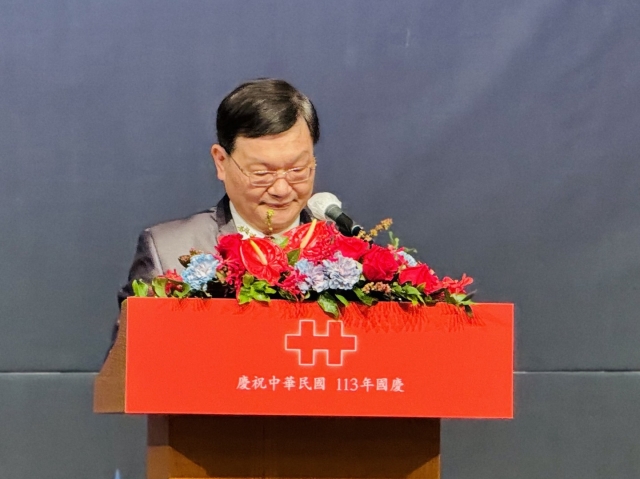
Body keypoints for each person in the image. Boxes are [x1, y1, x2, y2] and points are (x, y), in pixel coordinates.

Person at [117, 78, 320, 306]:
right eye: (262, 173)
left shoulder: (351, 258)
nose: (281, 189)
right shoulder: (169, 252)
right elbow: (136, 341)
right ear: (221, 162)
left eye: (297, 169)